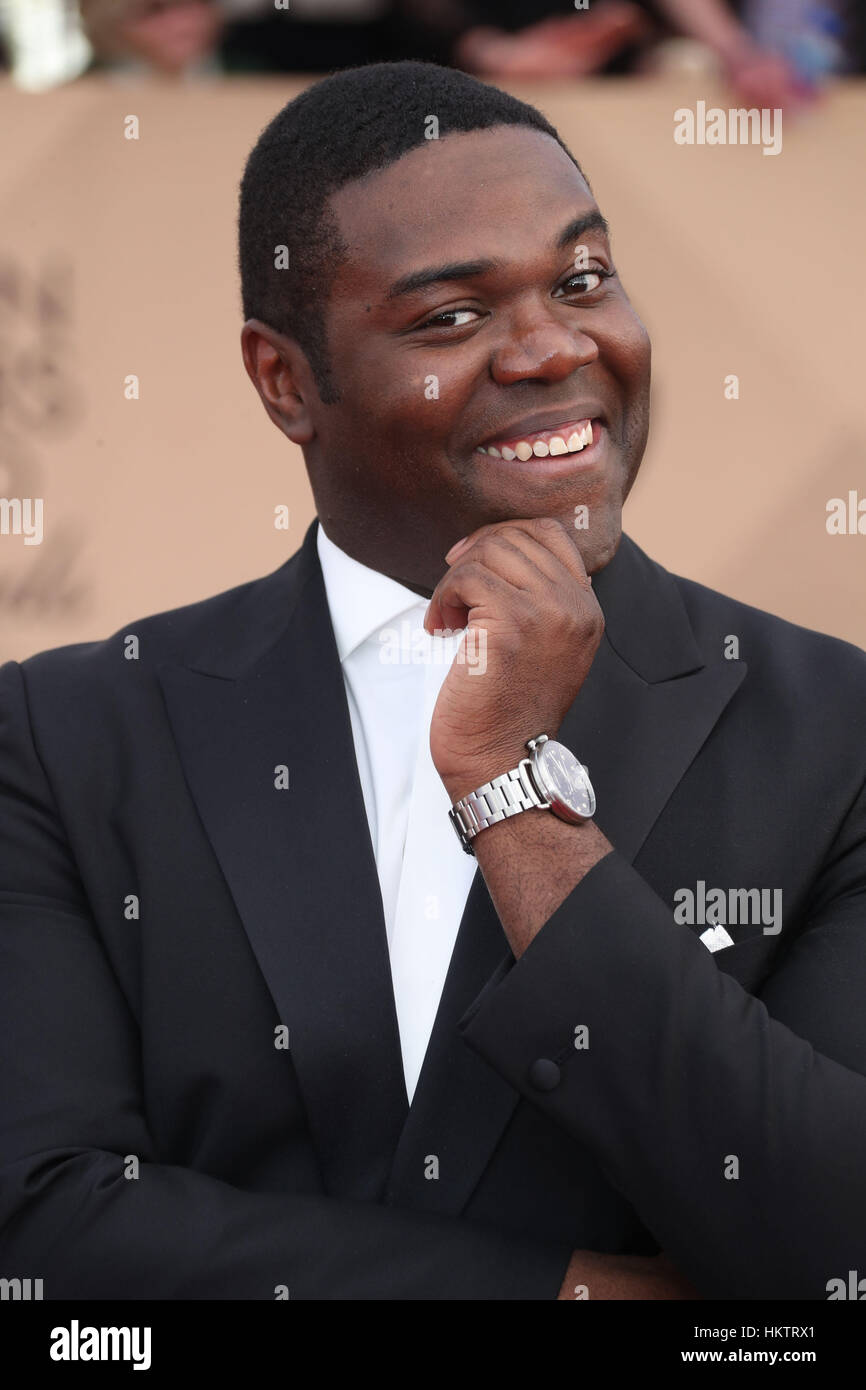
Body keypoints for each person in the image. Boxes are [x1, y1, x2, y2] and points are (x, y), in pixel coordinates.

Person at [1, 60, 864, 1301]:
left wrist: (515, 798)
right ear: (285, 381)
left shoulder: (827, 733)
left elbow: (831, 1244)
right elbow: (41, 1230)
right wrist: (558, 1294)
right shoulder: (69, 733)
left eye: (581, 277)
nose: (555, 345)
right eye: (451, 317)